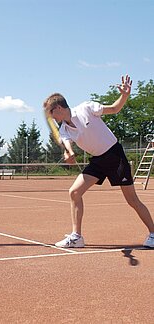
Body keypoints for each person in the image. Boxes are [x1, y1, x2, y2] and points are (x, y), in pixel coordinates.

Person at [43, 75, 154, 248]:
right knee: (74, 192)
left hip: (115, 155)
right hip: (98, 160)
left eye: (51, 113)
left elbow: (114, 109)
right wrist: (69, 154)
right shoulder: (64, 129)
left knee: (132, 200)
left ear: (58, 108)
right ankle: (77, 237)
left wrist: (124, 95)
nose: (51, 117)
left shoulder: (86, 107)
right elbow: (67, 145)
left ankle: (153, 233)